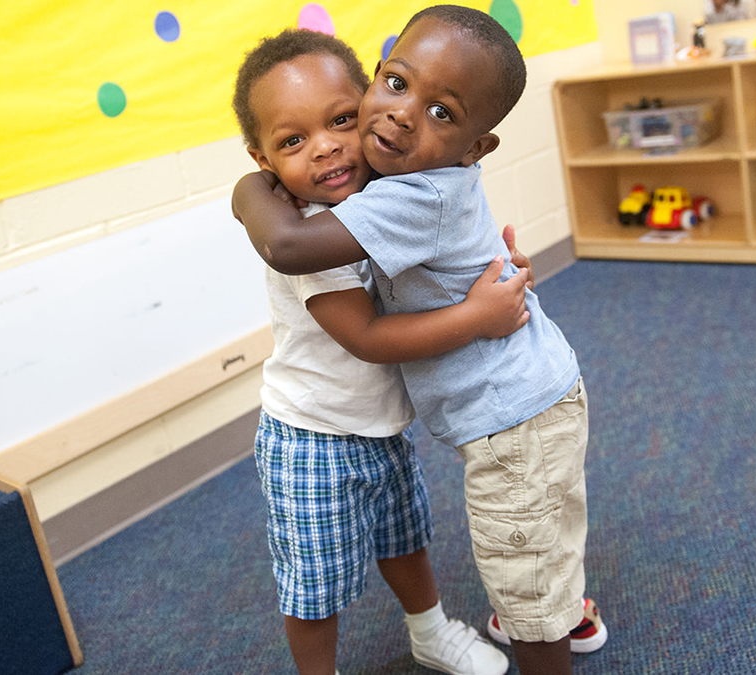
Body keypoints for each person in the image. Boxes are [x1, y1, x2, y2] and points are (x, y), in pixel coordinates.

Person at [232, 7, 607, 675]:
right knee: (322, 578)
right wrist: (248, 190)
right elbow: (314, 275)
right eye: (398, 86)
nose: (327, 147)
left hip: (485, 414)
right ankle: (548, 602)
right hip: (327, 427)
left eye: (340, 120)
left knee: (479, 542)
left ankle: (531, 613)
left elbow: (305, 242)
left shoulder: (394, 191)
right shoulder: (340, 211)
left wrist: (248, 190)